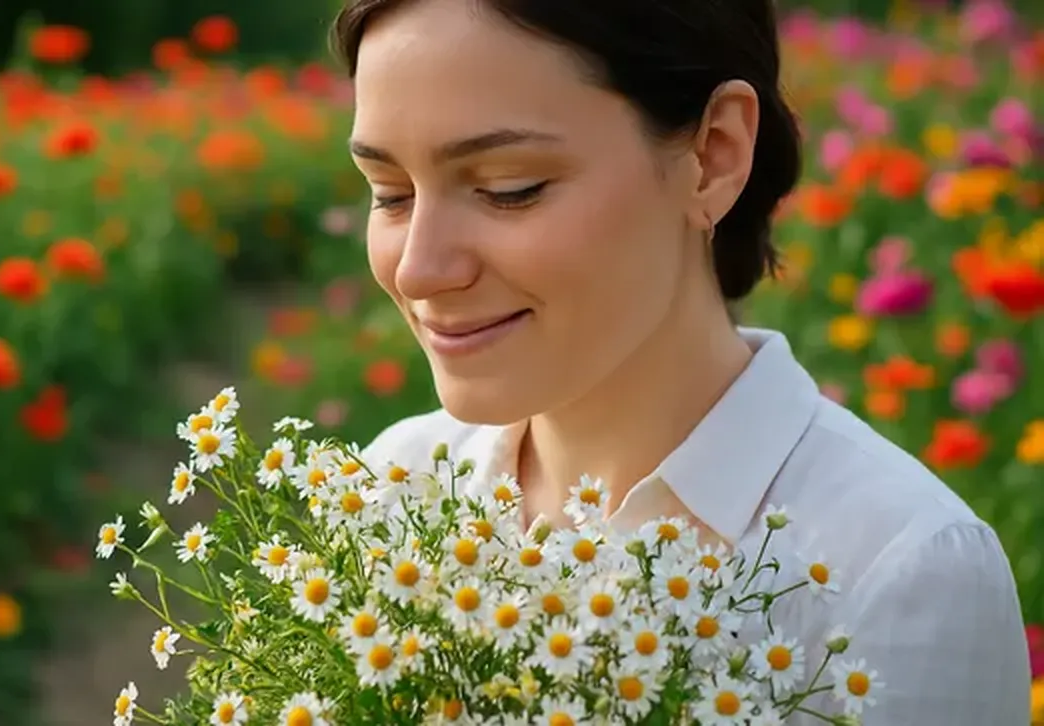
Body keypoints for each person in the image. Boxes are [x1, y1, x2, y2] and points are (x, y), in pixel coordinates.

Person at [333, 0, 1031, 722]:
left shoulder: (898, 572)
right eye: (390, 194)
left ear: (714, 154)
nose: (417, 269)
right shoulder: (396, 487)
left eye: (510, 189)